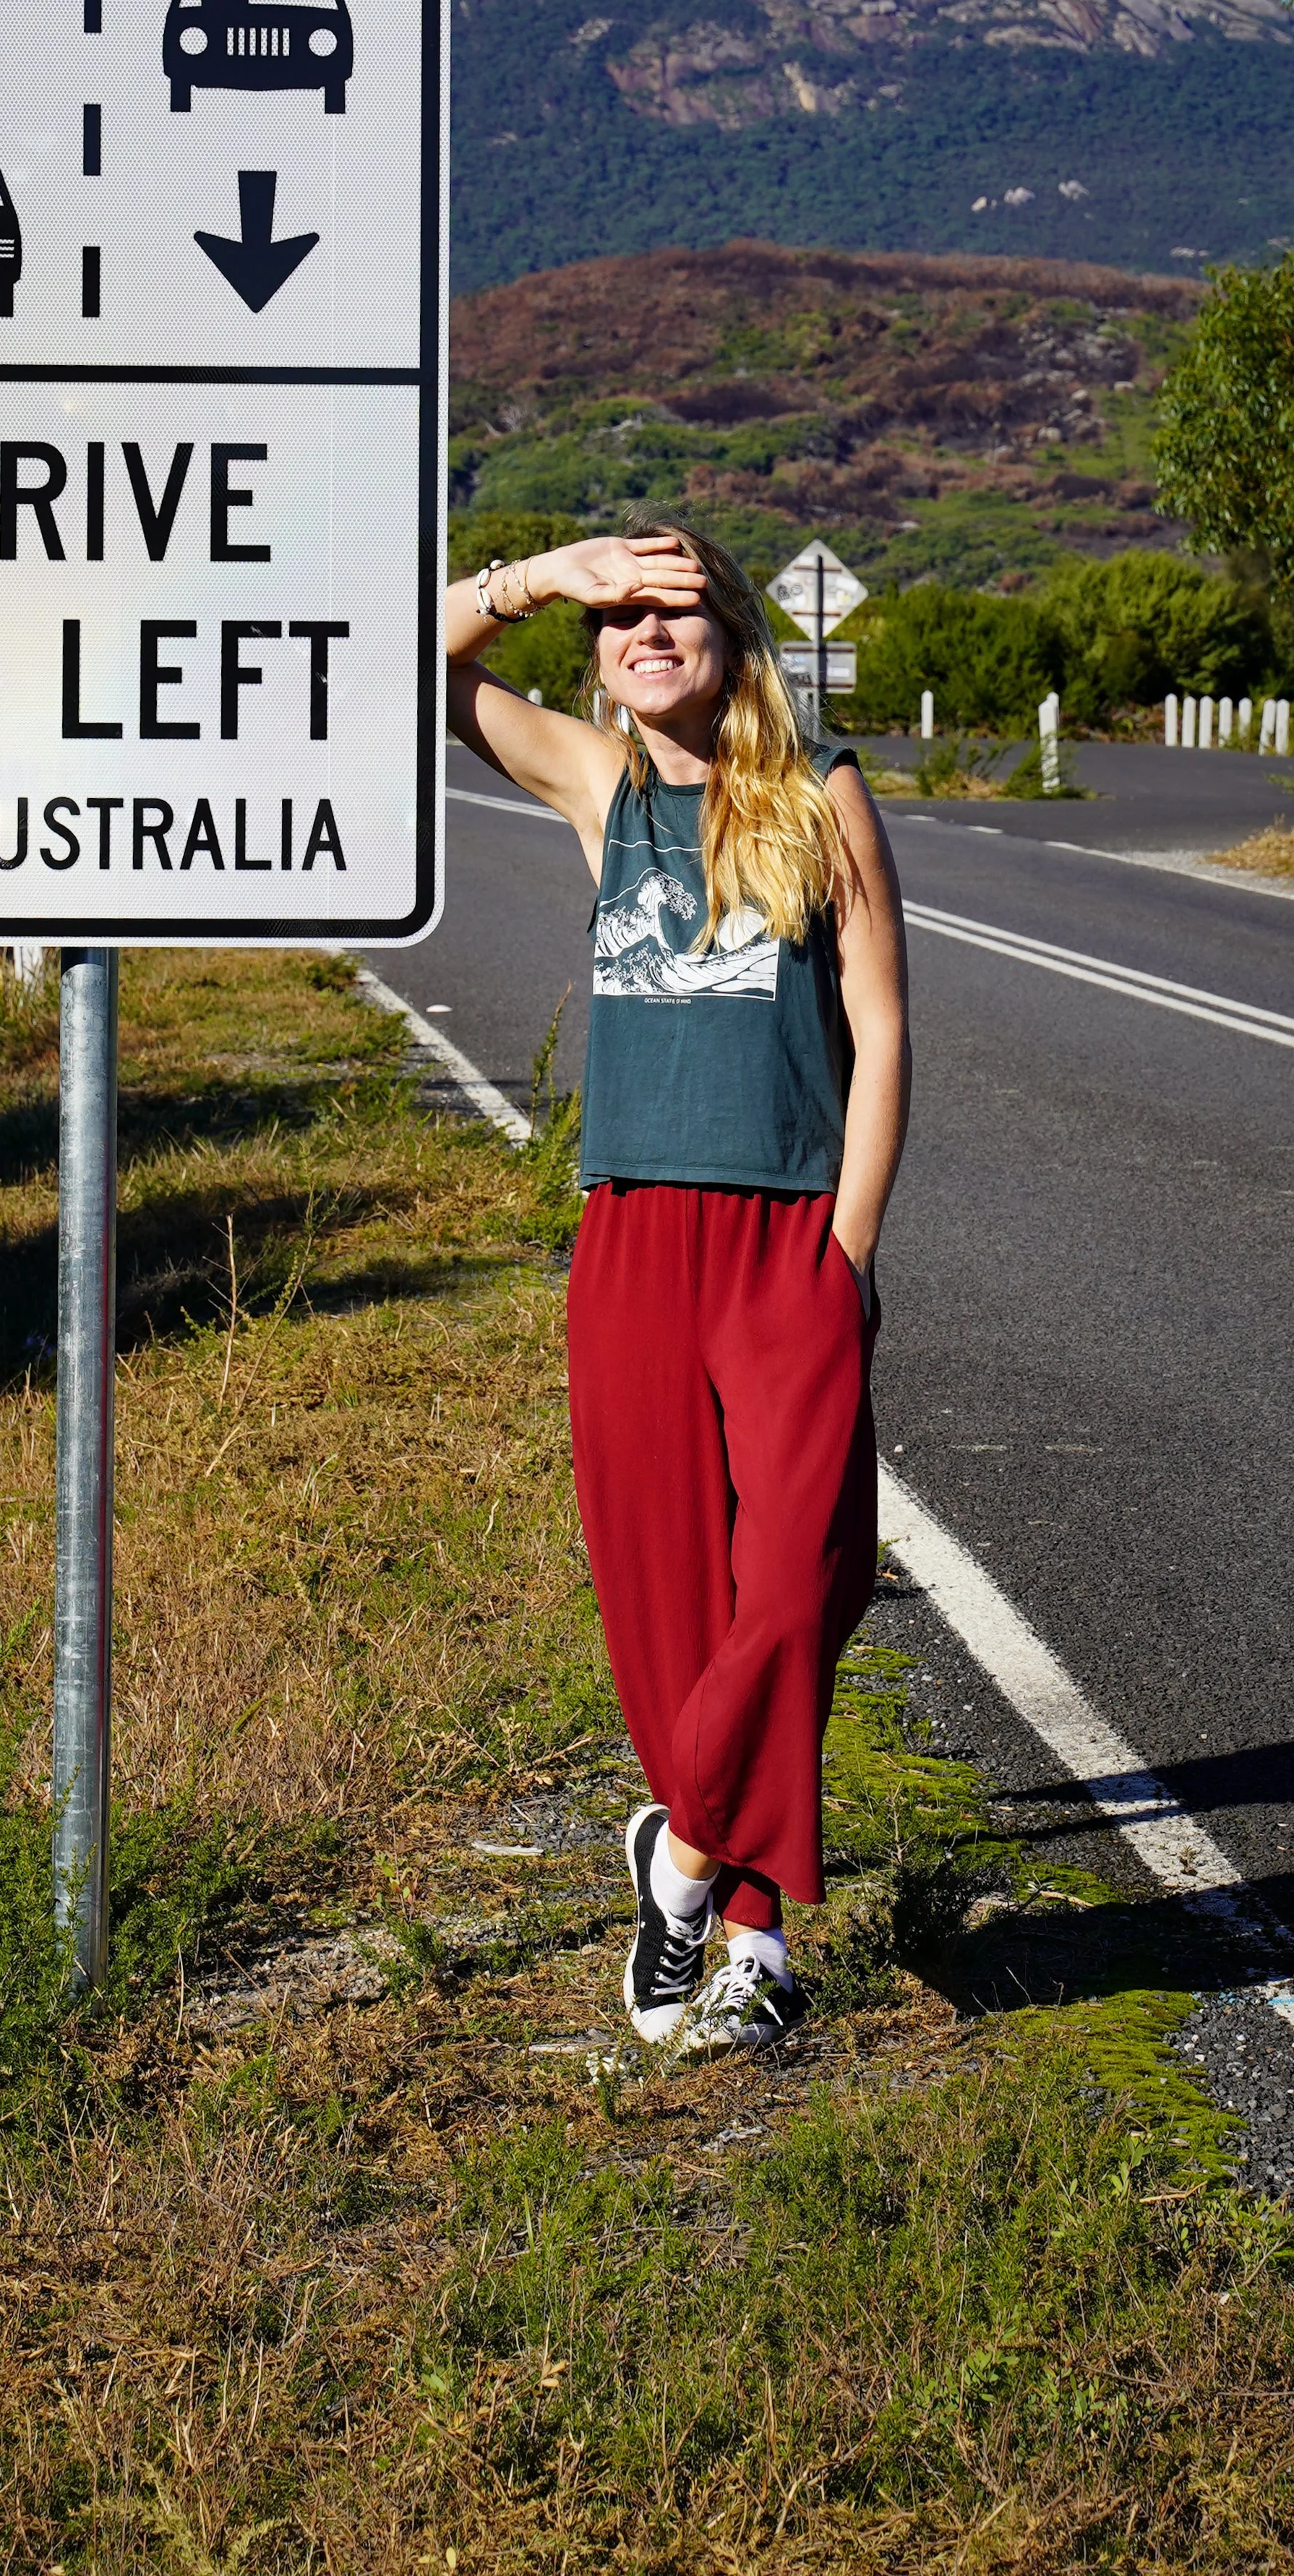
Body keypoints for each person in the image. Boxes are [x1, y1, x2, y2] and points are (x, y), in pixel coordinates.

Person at [445, 515, 910, 2053]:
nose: (646, 635)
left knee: (796, 1584)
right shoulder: (604, 788)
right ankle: (757, 1944)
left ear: (729, 637)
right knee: (670, 1589)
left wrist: (842, 1254)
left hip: (788, 1236)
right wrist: (535, 578)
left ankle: (688, 1853)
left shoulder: (814, 790)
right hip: (635, 1234)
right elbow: (380, 672)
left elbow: (883, 1029)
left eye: (675, 611)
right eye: (623, 620)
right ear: (599, 652)